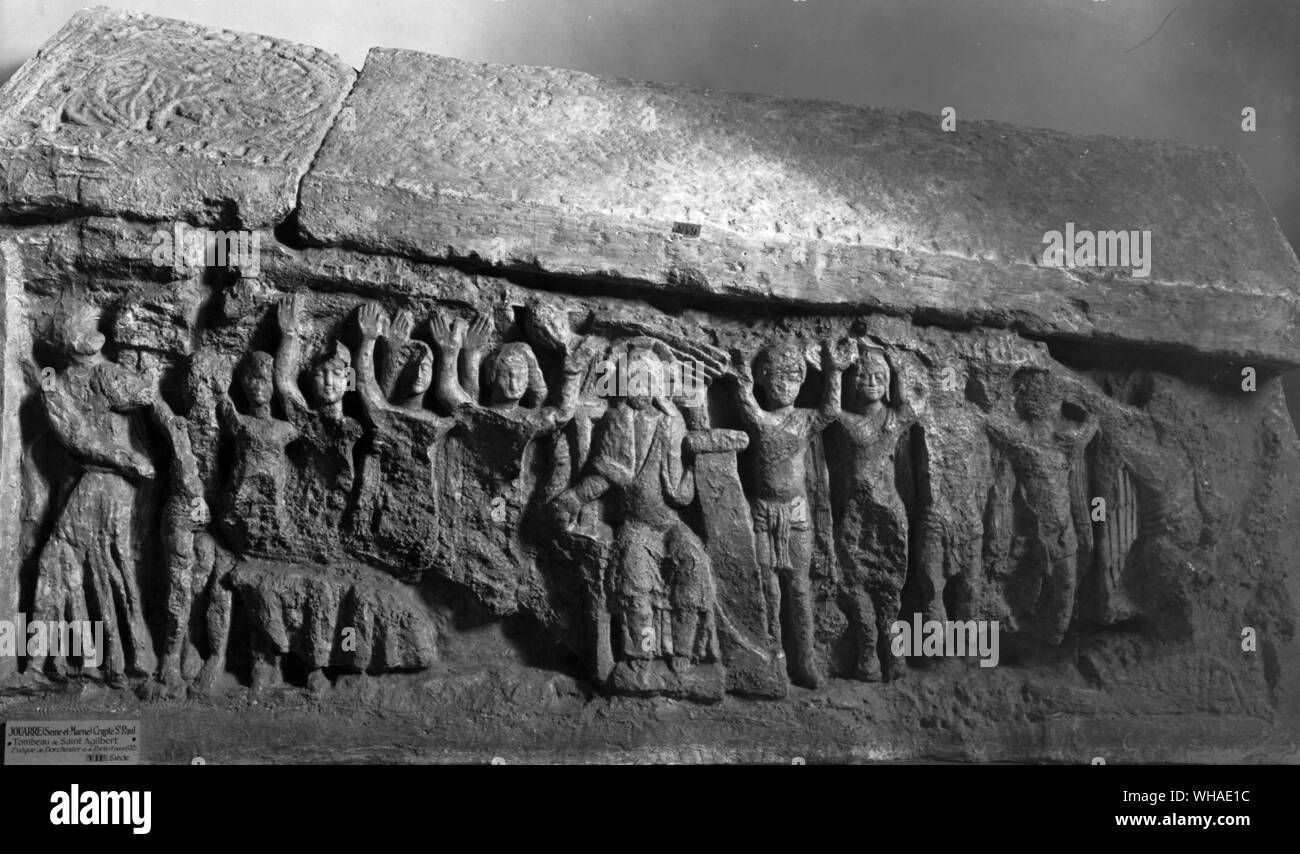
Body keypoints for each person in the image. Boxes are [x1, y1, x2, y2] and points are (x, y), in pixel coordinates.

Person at [551, 339, 719, 680]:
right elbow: (606, 474)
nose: (641, 388)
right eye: (634, 380)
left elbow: (683, 486)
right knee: (634, 585)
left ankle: (684, 651)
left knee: (693, 562)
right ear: (624, 384)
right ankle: (640, 654)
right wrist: (574, 498)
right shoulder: (618, 419)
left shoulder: (672, 422)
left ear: (659, 384)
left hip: (669, 521)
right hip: (636, 525)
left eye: (648, 380)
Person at [29, 302, 156, 685]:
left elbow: (145, 395)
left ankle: (111, 658)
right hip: (97, 477)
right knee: (73, 559)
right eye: (81, 323)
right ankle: (85, 658)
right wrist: (123, 458)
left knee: (94, 561)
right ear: (67, 338)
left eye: (90, 321)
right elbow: (73, 434)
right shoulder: (59, 381)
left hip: (110, 483)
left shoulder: (109, 374)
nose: (91, 328)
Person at [732, 339, 853, 688]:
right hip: (764, 512)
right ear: (763, 380)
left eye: (792, 377)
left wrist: (833, 370)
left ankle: (806, 659)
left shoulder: (804, 421)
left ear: (801, 382)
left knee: (799, 588)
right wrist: (740, 369)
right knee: (767, 585)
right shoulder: (760, 420)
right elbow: (744, 401)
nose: (784, 385)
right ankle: (773, 657)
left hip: (796, 512)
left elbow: (830, 410)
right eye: (776, 377)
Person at [836, 343, 925, 681]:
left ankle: (895, 655)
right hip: (855, 513)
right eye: (862, 375)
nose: (870, 381)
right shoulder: (846, 420)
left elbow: (916, 404)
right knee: (852, 582)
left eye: (878, 376)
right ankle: (867, 653)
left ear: (888, 384)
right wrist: (834, 370)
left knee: (890, 588)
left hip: (887, 512)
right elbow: (830, 409)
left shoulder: (893, 419)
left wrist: (898, 360)